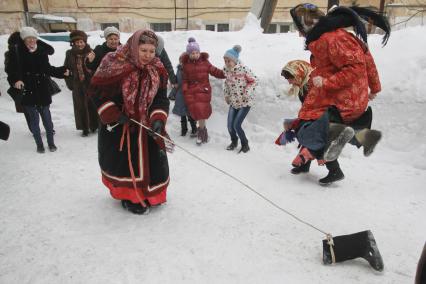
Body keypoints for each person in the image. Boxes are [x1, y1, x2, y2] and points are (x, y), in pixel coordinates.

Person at [288, 4, 390, 184]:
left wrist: (327, 82)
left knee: (309, 131)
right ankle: (361, 135)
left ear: (307, 26)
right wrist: (375, 88)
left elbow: (356, 68)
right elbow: (367, 59)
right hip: (347, 97)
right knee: (307, 121)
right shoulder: (334, 37)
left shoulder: (332, 39)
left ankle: (352, 140)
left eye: (298, 29)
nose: (298, 34)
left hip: (342, 98)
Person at [88, 29, 170, 215]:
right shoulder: (114, 62)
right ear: (134, 47)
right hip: (120, 126)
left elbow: (161, 98)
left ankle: (150, 194)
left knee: (153, 163)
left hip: (146, 126)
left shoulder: (157, 68)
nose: (148, 55)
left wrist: (158, 118)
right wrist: (114, 113)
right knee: (125, 163)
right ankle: (131, 197)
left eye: (151, 51)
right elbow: (96, 92)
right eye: (144, 50)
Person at [5, 27, 68, 153]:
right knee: (34, 121)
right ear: (24, 40)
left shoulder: (41, 51)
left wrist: (63, 71)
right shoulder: (16, 53)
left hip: (42, 90)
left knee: (48, 120)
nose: (32, 41)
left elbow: (48, 69)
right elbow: (11, 71)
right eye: (28, 38)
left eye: (34, 38)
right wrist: (16, 80)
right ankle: (39, 145)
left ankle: (51, 144)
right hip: (27, 90)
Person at [182, 37, 225, 145]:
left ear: (199, 52)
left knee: (201, 111)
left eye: (197, 52)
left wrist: (224, 74)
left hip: (203, 90)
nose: (195, 55)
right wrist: (185, 88)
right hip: (191, 91)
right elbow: (185, 79)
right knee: (195, 111)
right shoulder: (186, 65)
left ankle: (202, 133)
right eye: (192, 53)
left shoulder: (205, 62)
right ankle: (201, 131)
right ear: (189, 54)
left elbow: (214, 70)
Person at [223, 45, 258, 153]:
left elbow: (254, 80)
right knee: (229, 125)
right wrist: (227, 95)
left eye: (229, 60)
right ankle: (234, 141)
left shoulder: (243, 69)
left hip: (245, 102)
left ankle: (245, 144)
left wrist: (247, 92)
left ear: (235, 60)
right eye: (225, 60)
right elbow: (226, 83)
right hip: (233, 102)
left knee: (236, 125)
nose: (227, 63)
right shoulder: (226, 70)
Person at [64, 30, 99, 137]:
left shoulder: (91, 52)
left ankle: (94, 126)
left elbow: (97, 67)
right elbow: (66, 68)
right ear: (73, 43)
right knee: (80, 107)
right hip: (77, 84)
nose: (79, 44)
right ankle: (84, 128)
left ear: (85, 42)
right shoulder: (69, 54)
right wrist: (70, 82)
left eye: (81, 42)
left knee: (92, 105)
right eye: (77, 42)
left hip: (90, 83)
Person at [172, 53, 197, 136]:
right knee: (182, 115)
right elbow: (176, 81)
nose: (182, 63)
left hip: (188, 96)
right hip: (180, 96)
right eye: (181, 61)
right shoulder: (179, 69)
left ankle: (194, 129)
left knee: (190, 114)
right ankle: (184, 130)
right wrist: (173, 89)